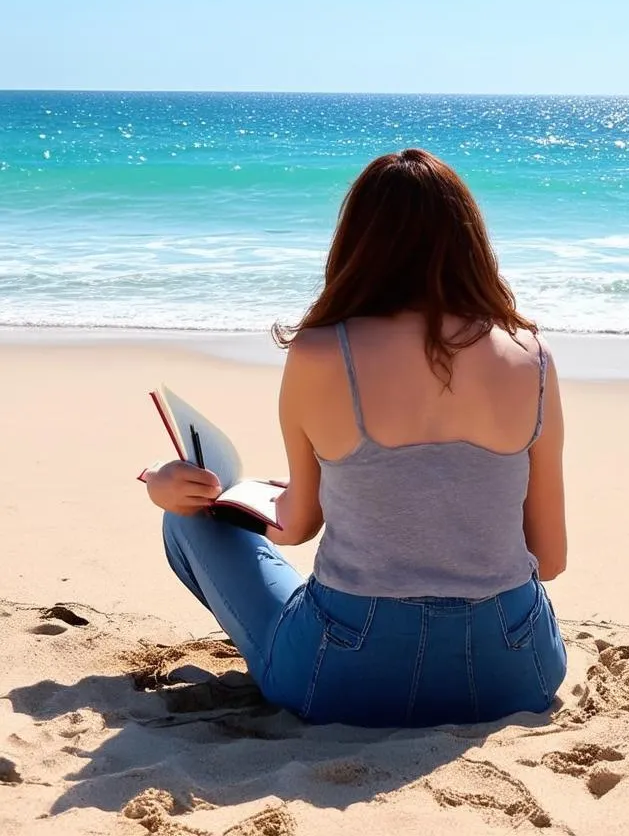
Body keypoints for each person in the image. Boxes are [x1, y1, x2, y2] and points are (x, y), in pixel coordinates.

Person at [144, 148, 568, 726]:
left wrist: (173, 486)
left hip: (350, 673)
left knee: (184, 518)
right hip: (514, 673)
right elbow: (550, 558)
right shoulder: (532, 356)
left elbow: (296, 524)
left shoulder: (321, 351)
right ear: (470, 240)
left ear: (356, 242)